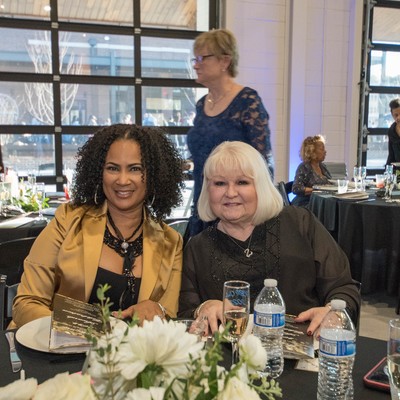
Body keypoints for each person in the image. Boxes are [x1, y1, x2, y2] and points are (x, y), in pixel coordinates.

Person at [178, 141, 360, 337]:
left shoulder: (300, 223)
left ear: (261, 186)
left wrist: (334, 313)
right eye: (220, 183)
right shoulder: (197, 247)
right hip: (226, 355)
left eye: (242, 182)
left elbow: (343, 287)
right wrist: (203, 308)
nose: (230, 193)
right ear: (207, 189)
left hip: (304, 347)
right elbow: (185, 314)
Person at [11, 124, 185, 328]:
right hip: (52, 346)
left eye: (135, 169)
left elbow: (169, 318)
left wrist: (158, 310)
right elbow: (26, 304)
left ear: (155, 174)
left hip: (134, 349)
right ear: (98, 172)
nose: (122, 180)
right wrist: (96, 330)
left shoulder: (171, 243)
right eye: (112, 168)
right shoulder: (68, 221)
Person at [185, 28, 274, 239]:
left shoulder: (247, 101)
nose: (196, 65)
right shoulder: (201, 105)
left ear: (225, 61)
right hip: (204, 205)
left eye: (202, 58)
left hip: (237, 212)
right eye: (195, 59)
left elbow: (263, 164)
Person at [291, 135, 332, 207]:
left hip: (319, 203)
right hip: (306, 204)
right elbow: (296, 189)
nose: (325, 152)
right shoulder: (304, 167)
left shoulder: (322, 166)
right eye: (322, 149)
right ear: (312, 151)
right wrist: (317, 190)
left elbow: (329, 183)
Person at [386, 98, 400, 166]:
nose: (399, 118)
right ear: (392, 115)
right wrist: (387, 169)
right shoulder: (391, 131)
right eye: (396, 115)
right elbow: (391, 155)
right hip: (397, 169)